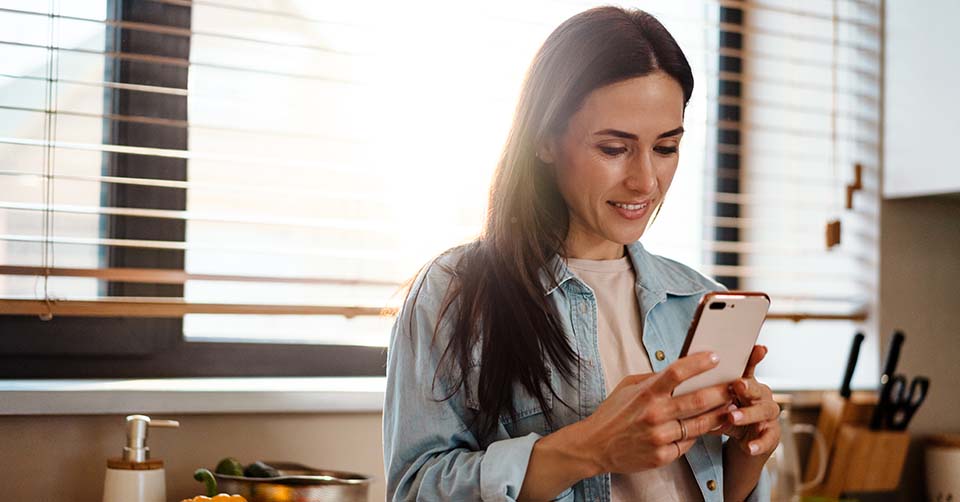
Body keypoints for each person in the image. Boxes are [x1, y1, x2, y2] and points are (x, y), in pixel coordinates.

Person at [383, 6, 779, 501]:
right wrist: (589, 448)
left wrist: (748, 454)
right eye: (614, 149)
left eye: (665, 147)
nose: (646, 181)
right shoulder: (455, 292)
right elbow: (416, 490)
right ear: (545, 139)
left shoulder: (698, 298)